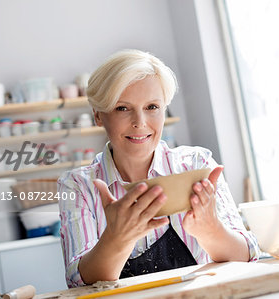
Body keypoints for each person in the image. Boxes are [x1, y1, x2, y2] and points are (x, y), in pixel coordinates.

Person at [57, 49, 260, 288]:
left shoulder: (196, 164)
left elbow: (246, 257)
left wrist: (211, 229)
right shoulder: (78, 185)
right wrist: (116, 239)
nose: (140, 122)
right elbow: (79, 282)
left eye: (152, 106)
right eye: (122, 108)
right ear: (98, 116)